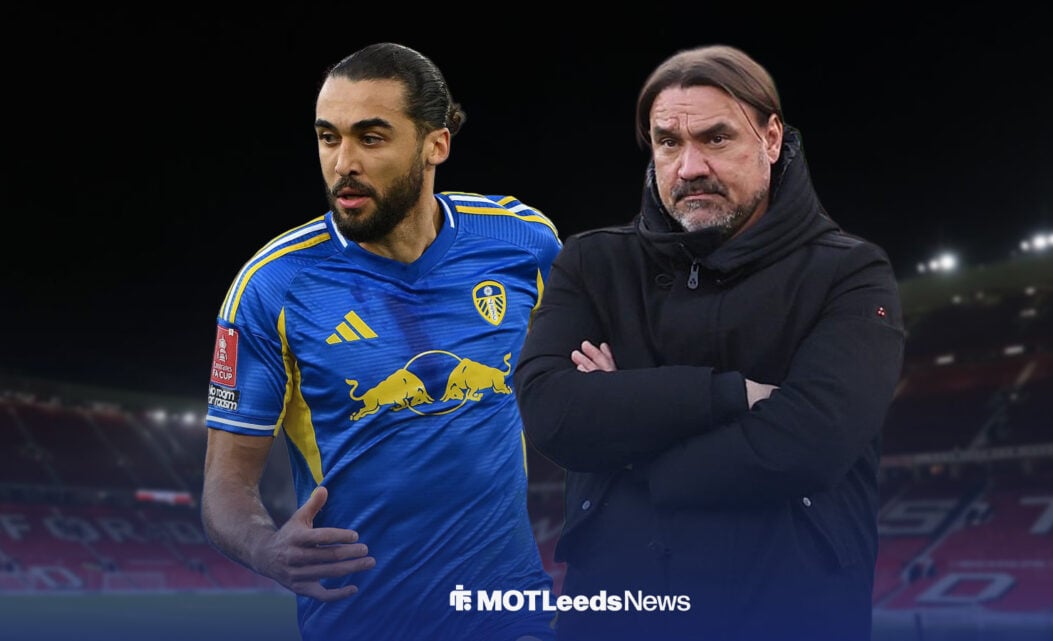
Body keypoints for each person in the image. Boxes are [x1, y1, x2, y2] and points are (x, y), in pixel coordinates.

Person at [515, 44, 905, 641]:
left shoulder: (851, 272)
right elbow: (552, 414)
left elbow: (812, 442)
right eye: (668, 143)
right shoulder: (594, 262)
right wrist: (732, 395)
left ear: (771, 139)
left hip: (791, 613)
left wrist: (630, 432)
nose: (689, 167)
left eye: (716, 139)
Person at [201, 42, 560, 641]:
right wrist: (269, 550)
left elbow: (576, 362)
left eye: (370, 137)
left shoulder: (524, 242)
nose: (343, 162)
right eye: (327, 137)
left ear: (435, 144)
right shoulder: (271, 288)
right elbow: (224, 489)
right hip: (363, 623)